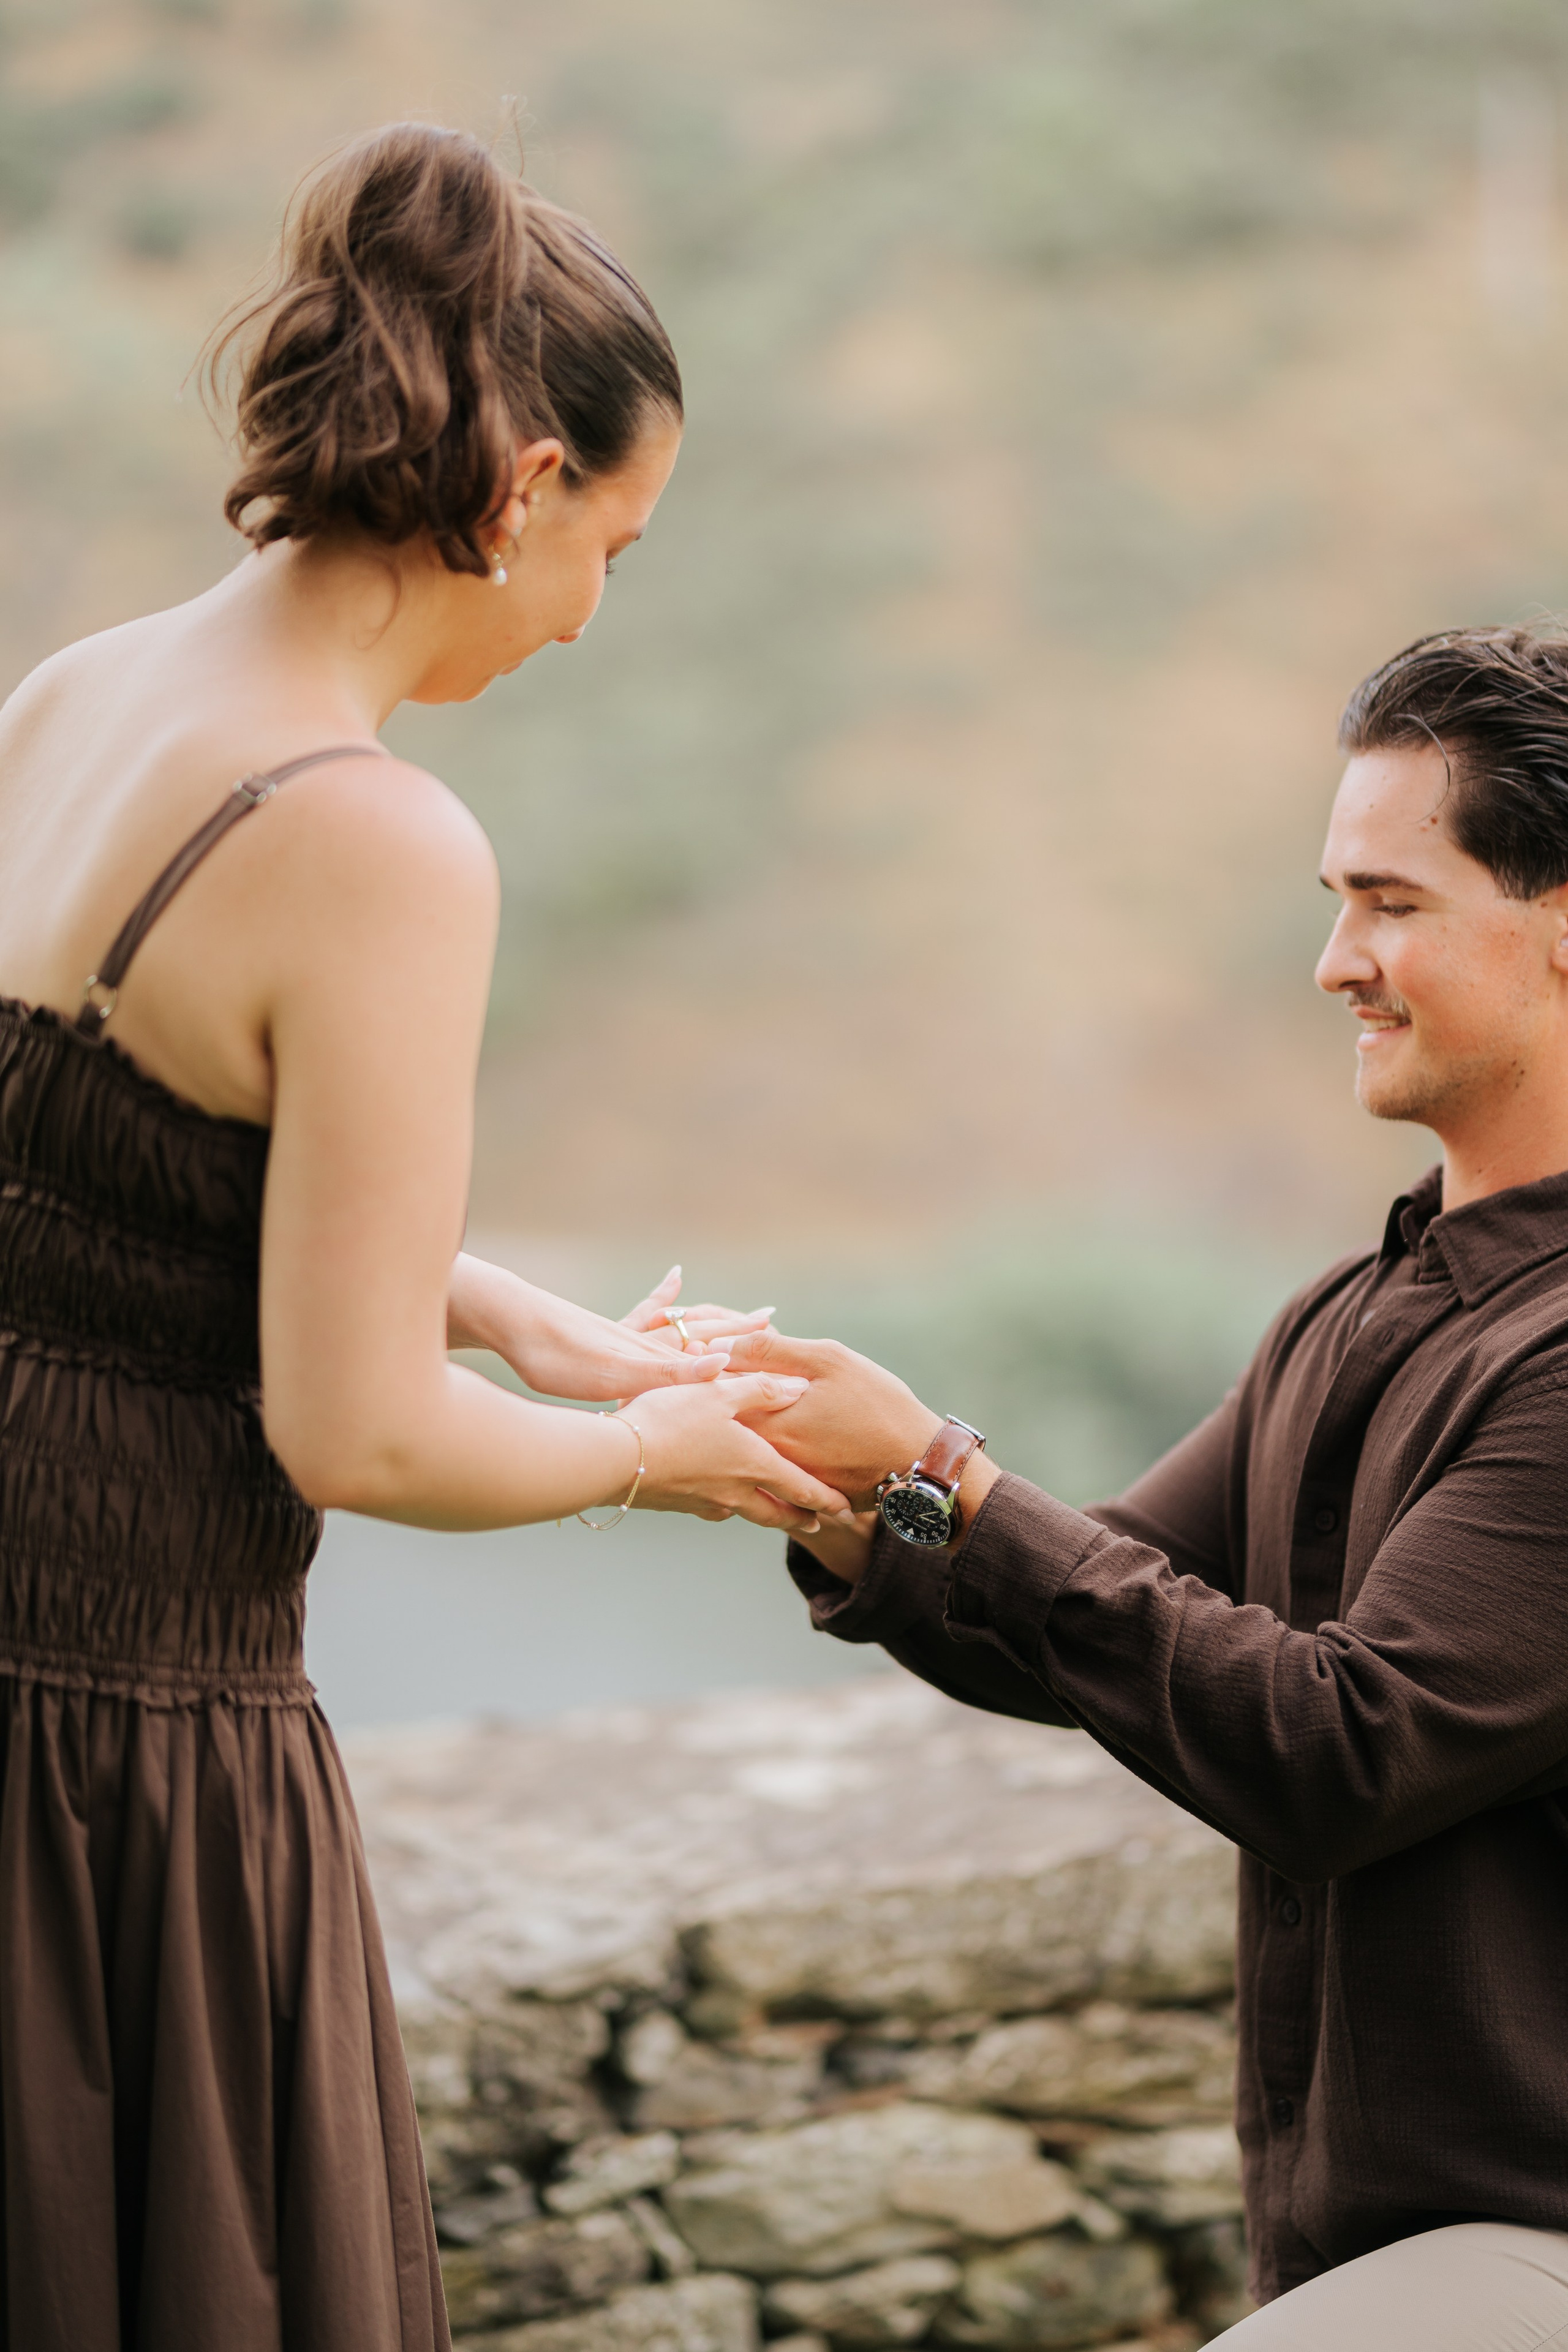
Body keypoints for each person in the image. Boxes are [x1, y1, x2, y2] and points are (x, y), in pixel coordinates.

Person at [0, 123, 848, 2351]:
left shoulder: (82, 694)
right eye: (615, 546)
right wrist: (659, 1447)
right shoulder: (371, 839)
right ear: (521, 487)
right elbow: (358, 1434)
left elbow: (95, 1174)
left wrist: (522, 1317)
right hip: (122, 1751)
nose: (589, 611)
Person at [728, 625, 1568, 2348]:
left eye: (1392, 902)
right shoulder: (1350, 1311)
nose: (1337, 961)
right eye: (1336, 901)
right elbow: (1071, 1612)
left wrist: (947, 1477)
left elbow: (1341, 1749)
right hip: (1365, 2253)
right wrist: (823, 1493)